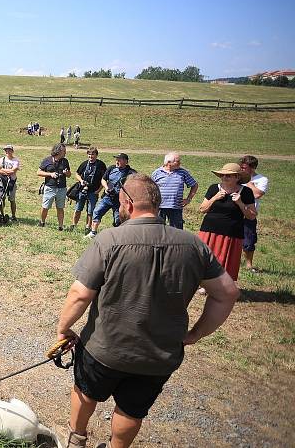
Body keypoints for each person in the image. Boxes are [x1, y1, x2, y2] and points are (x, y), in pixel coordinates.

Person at [55, 174, 239, 448]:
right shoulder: (193, 245)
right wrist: (196, 334)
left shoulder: (109, 240)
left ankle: (76, 439)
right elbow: (227, 293)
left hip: (104, 347)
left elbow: (80, 294)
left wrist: (63, 329)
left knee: (86, 391)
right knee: (132, 409)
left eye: (120, 202)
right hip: (158, 354)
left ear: (128, 203)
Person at [198, 163, 256, 283]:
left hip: (232, 233)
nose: (224, 178)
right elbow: (202, 209)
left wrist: (240, 203)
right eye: (222, 175)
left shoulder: (246, 192)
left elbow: (251, 216)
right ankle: (205, 284)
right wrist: (214, 198)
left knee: (226, 261)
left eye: (228, 176)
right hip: (209, 230)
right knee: (206, 259)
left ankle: (222, 286)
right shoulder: (214, 188)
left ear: (237, 177)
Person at [86, 153, 136, 238]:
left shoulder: (131, 173)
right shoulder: (111, 168)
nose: (117, 161)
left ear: (126, 161)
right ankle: (93, 233)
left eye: (119, 159)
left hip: (120, 200)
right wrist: (106, 187)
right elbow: (103, 179)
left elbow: (135, 185)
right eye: (116, 159)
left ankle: (119, 236)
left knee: (118, 219)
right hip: (108, 197)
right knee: (97, 211)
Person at [151, 152, 198, 230]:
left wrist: (188, 199)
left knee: (177, 230)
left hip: (176, 207)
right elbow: (151, 189)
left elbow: (194, 185)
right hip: (159, 206)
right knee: (157, 229)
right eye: (178, 161)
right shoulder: (157, 173)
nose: (180, 163)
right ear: (169, 162)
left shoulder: (183, 172)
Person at [239, 155, 268, 273]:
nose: (242, 169)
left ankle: (248, 265)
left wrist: (249, 183)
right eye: (241, 167)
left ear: (253, 168)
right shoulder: (238, 176)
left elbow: (257, 195)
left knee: (249, 241)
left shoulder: (262, 179)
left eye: (244, 168)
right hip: (235, 212)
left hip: (249, 214)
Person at [72, 147, 107, 234]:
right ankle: (73, 225)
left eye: (92, 154)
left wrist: (99, 190)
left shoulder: (101, 165)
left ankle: (88, 227)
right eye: (89, 154)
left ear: (96, 155)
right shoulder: (84, 164)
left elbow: (105, 178)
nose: (90, 156)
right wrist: (81, 181)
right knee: (78, 209)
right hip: (82, 190)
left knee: (90, 211)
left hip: (93, 192)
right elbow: (77, 174)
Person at [37, 143, 71, 230]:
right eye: (64, 151)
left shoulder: (65, 161)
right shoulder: (47, 160)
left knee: (60, 208)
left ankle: (60, 226)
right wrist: (50, 174)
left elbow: (69, 175)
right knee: (45, 207)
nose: (65, 153)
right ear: (58, 151)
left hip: (62, 188)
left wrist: (67, 173)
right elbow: (38, 172)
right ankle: (42, 222)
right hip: (50, 187)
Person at [0, 144, 21, 221]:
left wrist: (3, 169)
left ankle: (13, 216)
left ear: (12, 151)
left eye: (9, 150)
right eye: (6, 150)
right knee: (1, 198)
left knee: (12, 199)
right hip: (2, 181)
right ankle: (2, 214)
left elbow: (13, 171)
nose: (7, 151)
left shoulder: (16, 160)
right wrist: (8, 171)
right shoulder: (1, 159)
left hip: (12, 182)